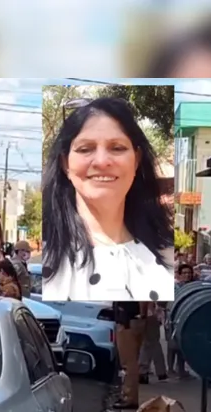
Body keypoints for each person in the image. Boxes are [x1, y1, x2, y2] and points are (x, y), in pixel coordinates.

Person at [41, 97, 173, 302]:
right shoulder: (44, 260)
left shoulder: (168, 258)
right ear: (65, 163)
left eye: (117, 148)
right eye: (85, 149)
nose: (102, 161)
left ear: (136, 160)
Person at [113, 301, 149, 409]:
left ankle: (129, 397)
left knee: (128, 362)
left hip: (128, 321)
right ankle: (128, 394)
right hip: (133, 319)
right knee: (131, 361)